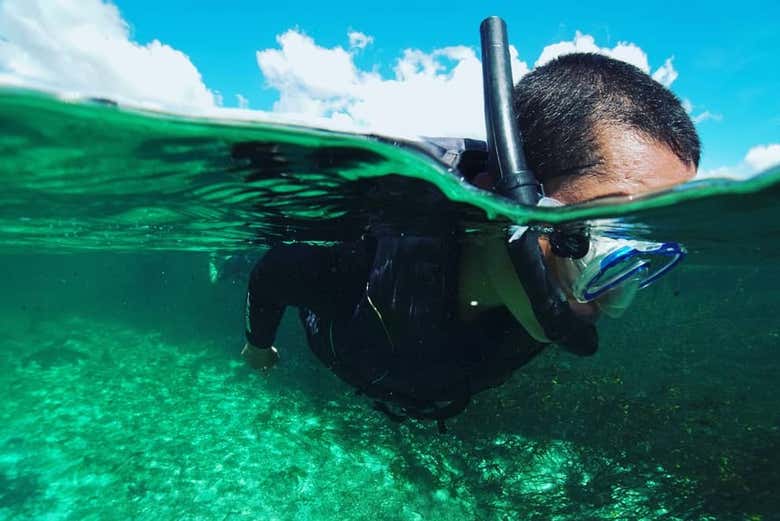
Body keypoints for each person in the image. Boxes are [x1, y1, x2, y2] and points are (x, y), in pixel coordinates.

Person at [241, 52, 700, 427]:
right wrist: (259, 348)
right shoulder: (387, 251)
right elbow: (274, 272)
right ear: (509, 196)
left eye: (636, 253)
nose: (607, 299)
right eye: (595, 238)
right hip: (337, 350)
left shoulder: (551, 292)